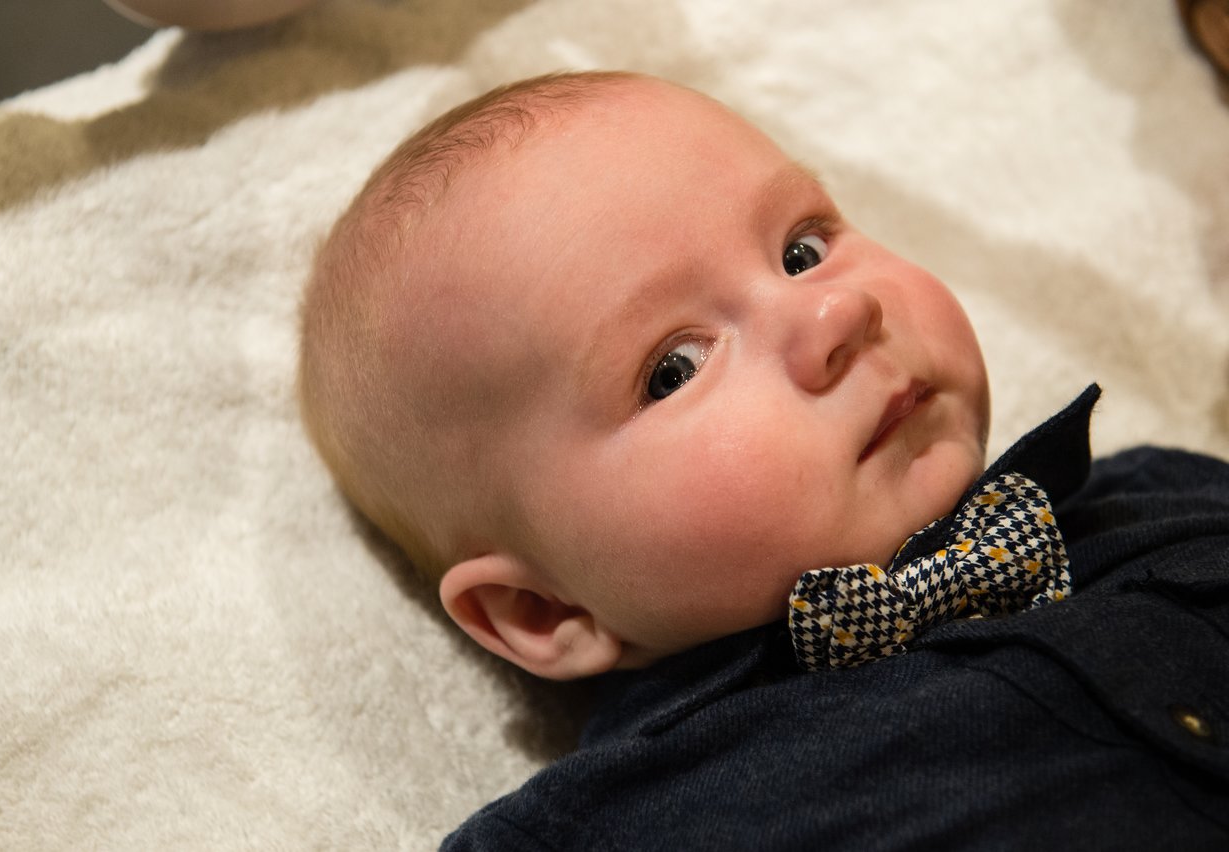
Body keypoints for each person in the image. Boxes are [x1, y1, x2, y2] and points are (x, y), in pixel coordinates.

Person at [298, 71, 1229, 849]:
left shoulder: (1156, 496)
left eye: (802, 248)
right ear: (545, 610)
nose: (833, 316)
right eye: (673, 368)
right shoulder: (617, 824)